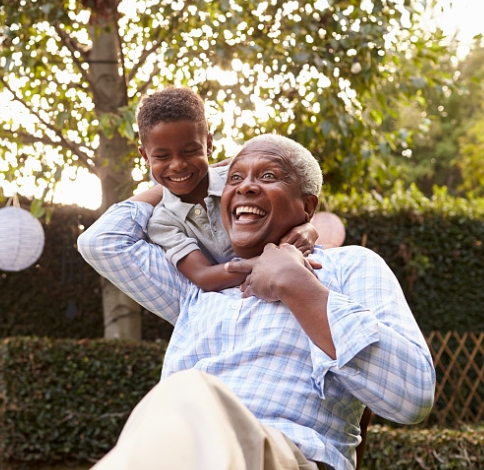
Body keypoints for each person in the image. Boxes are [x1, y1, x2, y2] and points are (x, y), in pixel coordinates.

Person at [77, 133, 435, 470]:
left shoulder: (350, 266)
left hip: (287, 456)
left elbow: (412, 395)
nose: (245, 186)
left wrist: (296, 285)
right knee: (175, 406)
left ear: (307, 206)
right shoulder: (199, 285)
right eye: (234, 179)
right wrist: (187, 176)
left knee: (187, 393)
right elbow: (102, 241)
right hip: (188, 447)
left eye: (268, 175)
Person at [137, 87, 318, 291]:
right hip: (241, 297)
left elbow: (292, 206)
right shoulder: (163, 221)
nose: (178, 165)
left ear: (208, 144)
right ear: (145, 156)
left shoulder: (241, 181)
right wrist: (266, 263)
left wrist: (307, 228)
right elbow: (203, 276)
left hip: (300, 275)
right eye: (162, 157)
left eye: (190, 151)